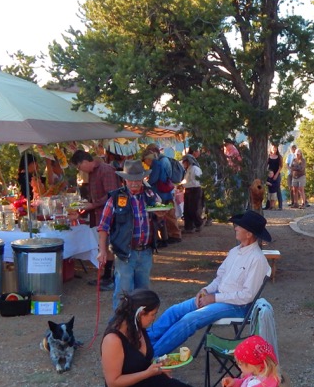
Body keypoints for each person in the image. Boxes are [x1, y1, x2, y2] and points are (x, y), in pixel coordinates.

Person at [147, 211, 271, 357]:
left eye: (239, 226)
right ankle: (143, 345)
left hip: (238, 306)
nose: (235, 228)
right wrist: (206, 290)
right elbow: (219, 278)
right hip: (220, 297)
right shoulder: (234, 251)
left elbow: (247, 296)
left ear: (249, 234)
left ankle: (151, 356)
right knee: (175, 311)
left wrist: (214, 298)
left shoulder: (257, 259)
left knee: (189, 320)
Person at [101, 289, 191, 387]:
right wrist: (148, 373)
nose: (154, 318)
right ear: (141, 313)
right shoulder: (113, 340)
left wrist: (158, 367)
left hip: (148, 380)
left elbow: (144, 361)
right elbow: (113, 383)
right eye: (153, 314)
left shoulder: (137, 326)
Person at [97, 160, 154, 311]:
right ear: (124, 180)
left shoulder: (150, 195)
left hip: (146, 251)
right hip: (124, 254)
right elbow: (103, 226)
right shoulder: (115, 198)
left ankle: (141, 327)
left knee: (144, 293)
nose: (134, 183)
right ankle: (119, 327)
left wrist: (161, 215)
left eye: (137, 179)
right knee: (123, 293)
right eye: (131, 179)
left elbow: (160, 213)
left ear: (143, 179)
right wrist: (102, 251)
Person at [73, 149, 121, 290]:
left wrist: (92, 205)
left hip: (110, 216)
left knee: (110, 247)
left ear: (85, 162)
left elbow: (112, 195)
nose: (79, 170)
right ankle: (106, 276)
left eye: (79, 166)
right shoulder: (93, 172)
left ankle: (112, 278)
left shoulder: (106, 170)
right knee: (104, 246)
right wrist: (84, 210)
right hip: (100, 215)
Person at [143, 146, 182, 244]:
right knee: (166, 216)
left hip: (162, 195)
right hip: (165, 194)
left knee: (165, 216)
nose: (145, 163)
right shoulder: (159, 163)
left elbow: (154, 179)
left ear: (148, 159)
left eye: (145, 161)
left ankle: (173, 236)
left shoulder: (156, 164)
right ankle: (169, 236)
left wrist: (146, 184)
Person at [182, 154, 204, 234]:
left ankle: (199, 223)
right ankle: (188, 227)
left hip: (194, 190)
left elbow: (195, 182)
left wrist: (183, 185)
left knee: (193, 209)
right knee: (187, 210)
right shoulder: (189, 169)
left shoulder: (195, 169)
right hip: (188, 190)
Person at [266, 144, 283, 210]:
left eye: (275, 148)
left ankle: (280, 205)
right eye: (273, 148)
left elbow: (280, 167)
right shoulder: (269, 156)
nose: (274, 149)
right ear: (271, 148)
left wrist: (276, 174)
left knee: (277, 189)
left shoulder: (279, 157)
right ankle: (268, 205)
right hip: (269, 174)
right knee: (269, 189)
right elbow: (266, 165)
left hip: (277, 174)